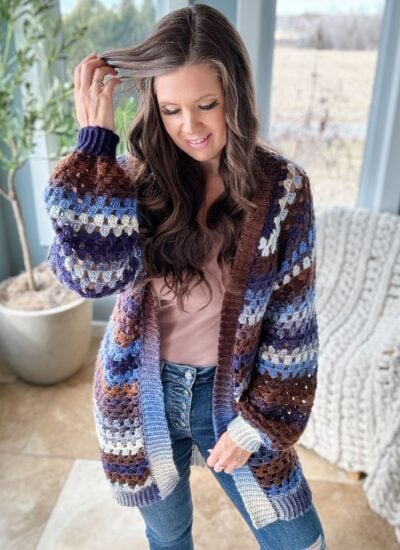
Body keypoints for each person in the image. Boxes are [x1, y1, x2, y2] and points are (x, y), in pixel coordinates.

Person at [43, 4, 326, 549]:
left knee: (300, 540)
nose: (189, 128)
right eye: (171, 110)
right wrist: (94, 145)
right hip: (140, 393)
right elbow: (92, 278)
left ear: (235, 98)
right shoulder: (129, 180)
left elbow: (293, 321)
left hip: (233, 399)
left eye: (206, 105)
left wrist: (260, 422)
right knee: (168, 538)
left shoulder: (284, 190)